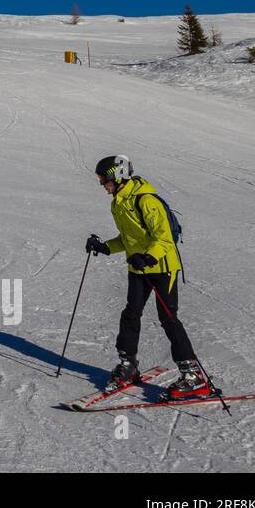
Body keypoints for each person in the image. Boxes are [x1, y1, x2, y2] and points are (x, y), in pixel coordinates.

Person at [86, 156, 209, 400]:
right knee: (130, 313)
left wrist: (148, 258)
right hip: (138, 269)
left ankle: (193, 375)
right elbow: (128, 238)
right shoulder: (118, 203)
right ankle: (128, 365)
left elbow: (164, 238)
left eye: (104, 179)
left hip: (162, 267)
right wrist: (105, 247)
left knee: (168, 318)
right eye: (101, 180)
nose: (102, 185)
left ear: (118, 177)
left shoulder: (146, 200)